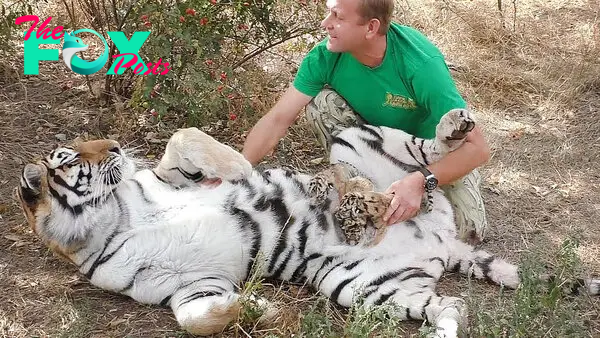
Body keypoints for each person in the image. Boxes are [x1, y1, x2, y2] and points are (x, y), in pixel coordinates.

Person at [242, 0, 490, 243]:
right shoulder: (325, 57)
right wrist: (235, 173)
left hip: (431, 156)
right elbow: (276, 120)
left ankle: (413, 191)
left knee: (465, 235)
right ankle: (359, 185)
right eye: (329, 13)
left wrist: (420, 180)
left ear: (371, 28)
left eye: (337, 17)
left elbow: (478, 149)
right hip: (376, 151)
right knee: (322, 103)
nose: (325, 23)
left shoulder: (421, 64)